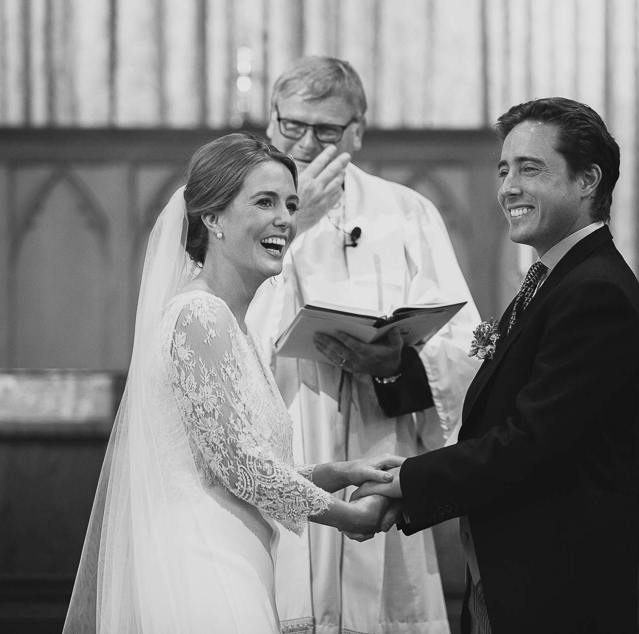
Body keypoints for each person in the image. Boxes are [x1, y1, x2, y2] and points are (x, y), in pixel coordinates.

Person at [63, 133, 404, 634]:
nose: (286, 219)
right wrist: (347, 516)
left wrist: (342, 470)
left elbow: (239, 461)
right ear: (213, 219)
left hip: (235, 558)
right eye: (264, 202)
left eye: (291, 203)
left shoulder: (232, 326)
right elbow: (242, 468)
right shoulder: (199, 316)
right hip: (203, 569)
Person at [355, 97, 639, 633]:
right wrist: (395, 368)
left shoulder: (595, 293)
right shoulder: (555, 278)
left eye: (529, 169)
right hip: (510, 571)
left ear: (588, 180)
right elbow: (500, 401)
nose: (507, 188)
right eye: (503, 169)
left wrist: (409, 480)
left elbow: (531, 441)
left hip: (555, 587)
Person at [246, 56, 481, 634]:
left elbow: (466, 344)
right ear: (271, 124)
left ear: (357, 132)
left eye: (325, 131)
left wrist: (397, 364)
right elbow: (227, 332)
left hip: (383, 443)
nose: (304, 144)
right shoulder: (242, 207)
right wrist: (297, 226)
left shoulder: (407, 213)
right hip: (290, 439)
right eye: (292, 127)